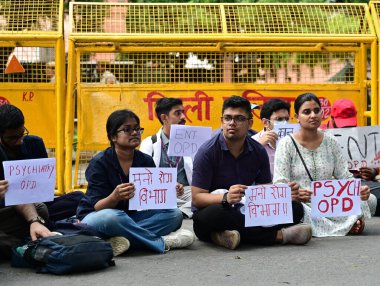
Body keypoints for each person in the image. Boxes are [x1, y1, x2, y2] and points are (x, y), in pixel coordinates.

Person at [191, 96, 312, 250]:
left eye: (239, 118)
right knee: (220, 214)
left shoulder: (258, 151)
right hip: (215, 210)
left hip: (246, 208)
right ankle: (279, 236)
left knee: (295, 208)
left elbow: (264, 193)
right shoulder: (207, 152)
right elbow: (196, 198)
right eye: (227, 118)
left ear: (250, 123)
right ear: (222, 122)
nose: (232, 123)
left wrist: (284, 194)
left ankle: (222, 236)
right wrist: (225, 198)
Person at [76, 109, 195, 256]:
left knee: (174, 214)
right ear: (113, 136)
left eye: (137, 129)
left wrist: (169, 191)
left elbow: (151, 202)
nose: (135, 133)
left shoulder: (145, 160)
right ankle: (162, 242)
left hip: (130, 218)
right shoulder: (100, 162)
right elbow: (98, 207)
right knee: (112, 217)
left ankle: (116, 240)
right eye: (127, 129)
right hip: (97, 216)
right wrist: (115, 197)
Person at [273, 93, 377, 237]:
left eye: (317, 110)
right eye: (306, 112)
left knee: (370, 199)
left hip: (329, 203)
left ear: (322, 113)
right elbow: (280, 183)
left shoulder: (331, 141)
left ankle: (348, 223)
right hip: (304, 203)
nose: (313, 115)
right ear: (297, 117)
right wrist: (295, 194)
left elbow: (345, 177)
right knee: (293, 208)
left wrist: (359, 190)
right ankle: (349, 224)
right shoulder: (286, 144)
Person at [0, 104, 56, 258]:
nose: (19, 142)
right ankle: (23, 245)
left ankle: (30, 236)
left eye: (21, 134)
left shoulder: (34, 143)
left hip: (25, 206)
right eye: (12, 138)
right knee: (41, 209)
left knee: (75, 199)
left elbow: (21, 194)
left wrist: (33, 220)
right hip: (9, 210)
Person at [322, 98, 380, 216]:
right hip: (331, 184)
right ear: (332, 118)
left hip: (360, 183)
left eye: (350, 124)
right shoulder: (320, 133)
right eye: (342, 124)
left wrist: (373, 171)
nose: (346, 128)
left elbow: (376, 158)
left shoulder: (363, 134)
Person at [140, 98, 193, 218]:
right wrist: (168, 185)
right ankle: (181, 211)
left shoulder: (191, 140)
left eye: (183, 112)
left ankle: (179, 212)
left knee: (213, 195)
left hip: (186, 192)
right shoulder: (148, 143)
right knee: (147, 201)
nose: (183, 117)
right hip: (161, 193)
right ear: (164, 118)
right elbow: (144, 178)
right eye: (177, 113)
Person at [252, 98, 291, 178]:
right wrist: (258, 147)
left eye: (286, 119)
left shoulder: (294, 140)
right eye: (279, 119)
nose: (285, 123)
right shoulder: (253, 142)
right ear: (266, 122)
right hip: (265, 189)